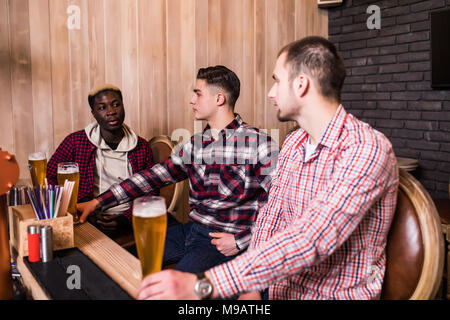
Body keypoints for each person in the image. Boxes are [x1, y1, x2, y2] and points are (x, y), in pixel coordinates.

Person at [135, 36, 399, 300]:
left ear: (301, 84)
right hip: (278, 286)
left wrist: (205, 285)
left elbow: (312, 239)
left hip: (329, 294)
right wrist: (252, 287)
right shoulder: (296, 142)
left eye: (276, 80)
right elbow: (271, 217)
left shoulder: (366, 148)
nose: (271, 93)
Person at [77, 66, 278, 273]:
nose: (192, 100)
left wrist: (242, 240)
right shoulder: (196, 145)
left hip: (223, 240)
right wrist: (97, 202)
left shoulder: (259, 144)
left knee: (175, 291)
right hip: (192, 230)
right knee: (122, 263)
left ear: (219, 99)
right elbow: (151, 177)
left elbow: (284, 206)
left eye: (198, 94)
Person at [47, 84, 157, 234]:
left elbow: (150, 191)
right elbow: (50, 176)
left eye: (116, 105)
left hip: (129, 221)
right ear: (94, 113)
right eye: (102, 108)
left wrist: (126, 219)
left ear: (123, 107)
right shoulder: (75, 142)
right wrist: (71, 209)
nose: (111, 112)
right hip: (85, 218)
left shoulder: (141, 146)